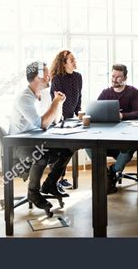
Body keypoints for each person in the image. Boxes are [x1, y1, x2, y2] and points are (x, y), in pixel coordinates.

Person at [9, 61, 74, 211]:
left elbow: (55, 120)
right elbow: (43, 123)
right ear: (37, 77)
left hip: (34, 141)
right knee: (41, 156)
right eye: (46, 74)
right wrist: (55, 102)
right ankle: (33, 192)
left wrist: (59, 103)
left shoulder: (42, 95)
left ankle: (50, 185)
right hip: (18, 146)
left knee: (68, 149)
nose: (49, 77)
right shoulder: (24, 98)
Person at [85, 64, 138, 194]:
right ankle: (106, 173)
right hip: (107, 135)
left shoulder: (133, 92)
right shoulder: (105, 93)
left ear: (125, 78)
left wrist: (122, 115)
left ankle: (112, 171)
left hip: (125, 137)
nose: (114, 79)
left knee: (127, 150)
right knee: (87, 145)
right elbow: (95, 112)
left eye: (118, 77)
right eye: (113, 76)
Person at [50, 50, 83, 190]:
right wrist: (61, 120)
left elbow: (79, 96)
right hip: (58, 120)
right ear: (64, 64)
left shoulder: (78, 77)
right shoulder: (57, 79)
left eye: (74, 59)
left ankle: (61, 178)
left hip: (71, 118)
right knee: (60, 149)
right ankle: (56, 180)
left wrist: (79, 113)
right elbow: (56, 101)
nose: (75, 62)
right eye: (71, 60)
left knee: (70, 148)